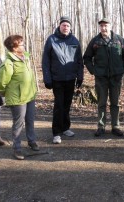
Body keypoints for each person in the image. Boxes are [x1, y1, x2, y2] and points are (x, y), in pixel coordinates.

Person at [83, 18, 124, 137]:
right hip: (101, 77)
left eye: (106, 25)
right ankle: (101, 126)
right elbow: (87, 58)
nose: (104, 28)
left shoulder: (119, 40)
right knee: (101, 103)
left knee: (115, 103)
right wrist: (93, 71)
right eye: (102, 26)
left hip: (116, 77)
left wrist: (122, 70)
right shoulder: (95, 41)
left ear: (110, 26)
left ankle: (116, 126)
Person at [0, 35, 39, 160]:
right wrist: (3, 93)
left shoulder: (25, 58)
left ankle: (32, 141)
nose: (23, 45)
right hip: (18, 99)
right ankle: (17, 149)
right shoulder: (8, 63)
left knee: (30, 120)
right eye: (21, 44)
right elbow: (1, 82)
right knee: (18, 124)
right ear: (14, 48)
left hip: (29, 95)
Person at [42, 16, 84, 144]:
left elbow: (79, 61)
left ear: (70, 28)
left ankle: (66, 128)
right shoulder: (52, 40)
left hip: (70, 78)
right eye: (63, 25)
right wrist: (47, 78)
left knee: (67, 104)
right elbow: (45, 61)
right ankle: (56, 132)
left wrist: (80, 76)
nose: (65, 27)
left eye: (68, 26)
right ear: (60, 26)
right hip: (57, 79)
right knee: (59, 105)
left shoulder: (74, 41)